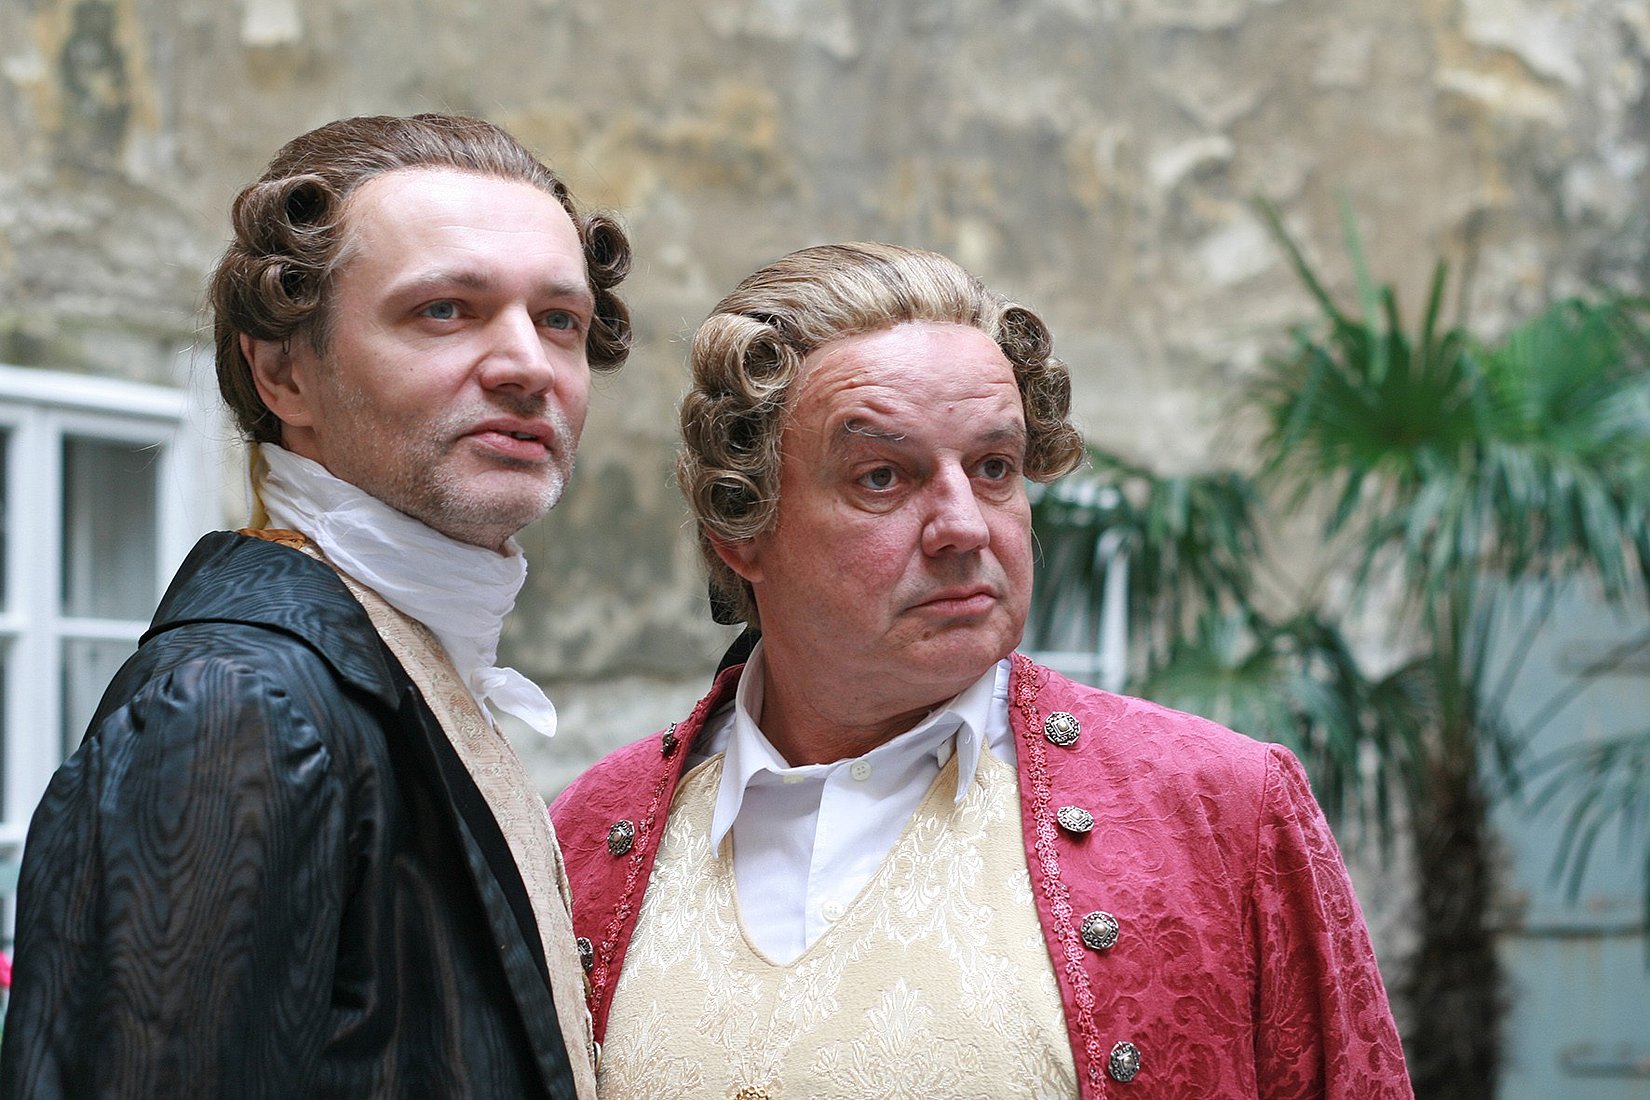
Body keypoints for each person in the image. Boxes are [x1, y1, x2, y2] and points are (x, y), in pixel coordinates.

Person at [551, 243, 1413, 1098]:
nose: (964, 525)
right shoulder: (579, 841)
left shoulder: (1220, 811)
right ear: (740, 528)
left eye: (994, 468)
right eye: (883, 477)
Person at [0, 113, 630, 1099]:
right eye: (445, 310)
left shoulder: (405, 657)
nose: (527, 365)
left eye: (560, 320)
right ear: (283, 371)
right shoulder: (236, 709)